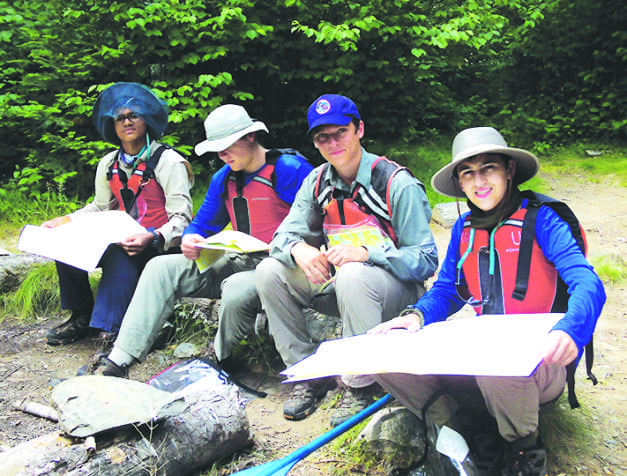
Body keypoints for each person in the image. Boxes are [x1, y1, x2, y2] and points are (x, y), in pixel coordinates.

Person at [370, 127, 606, 475]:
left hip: (541, 362)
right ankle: (466, 430)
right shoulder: (464, 227)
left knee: (496, 366)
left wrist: (572, 330)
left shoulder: (543, 219)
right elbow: (448, 289)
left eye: (488, 168)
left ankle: (524, 452)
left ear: (509, 170)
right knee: (384, 354)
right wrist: (416, 317)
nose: (479, 181)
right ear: (460, 183)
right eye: (468, 172)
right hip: (484, 353)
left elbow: (588, 282)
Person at [82, 104, 313, 377]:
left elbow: (317, 223)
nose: (222, 154)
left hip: (281, 266)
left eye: (227, 145)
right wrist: (192, 238)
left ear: (250, 136)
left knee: (237, 287)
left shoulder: (289, 169)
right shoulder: (223, 177)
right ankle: (120, 360)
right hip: (240, 259)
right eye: (218, 148)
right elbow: (201, 225)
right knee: (159, 268)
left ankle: (224, 358)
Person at [254, 94, 438, 425]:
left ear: (359, 130)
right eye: (322, 137)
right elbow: (281, 236)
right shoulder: (317, 181)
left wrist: (368, 254)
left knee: (353, 273)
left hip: (396, 293)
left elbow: (425, 259)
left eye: (340, 132)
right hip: (341, 287)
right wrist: (298, 248)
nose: (332, 142)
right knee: (270, 271)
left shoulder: (397, 183)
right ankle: (306, 373)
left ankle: (360, 386)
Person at [44, 82, 193, 346]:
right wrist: (65, 221)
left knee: (118, 252)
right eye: (120, 118)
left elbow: (183, 218)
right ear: (112, 126)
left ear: (146, 120)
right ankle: (81, 316)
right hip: (123, 239)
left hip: (159, 244)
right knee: (64, 241)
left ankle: (112, 330)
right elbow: (99, 207)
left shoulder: (169, 162)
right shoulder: (108, 164)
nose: (127, 122)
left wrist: (153, 237)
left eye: (133, 115)